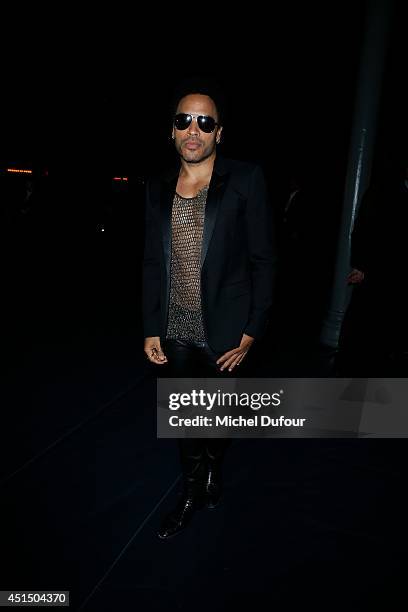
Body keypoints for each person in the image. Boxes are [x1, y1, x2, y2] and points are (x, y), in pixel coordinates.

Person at [142, 77, 277, 539]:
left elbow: (264, 260)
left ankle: (215, 468)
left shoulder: (245, 179)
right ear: (172, 131)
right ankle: (189, 492)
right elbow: (150, 263)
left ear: (219, 132)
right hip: (174, 330)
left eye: (205, 122)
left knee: (217, 419)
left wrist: (252, 329)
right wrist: (149, 327)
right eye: (184, 121)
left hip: (226, 332)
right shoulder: (157, 187)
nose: (193, 130)